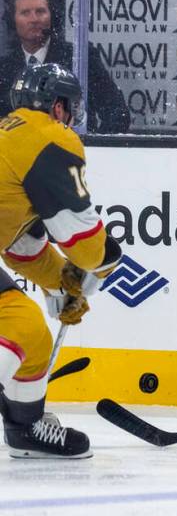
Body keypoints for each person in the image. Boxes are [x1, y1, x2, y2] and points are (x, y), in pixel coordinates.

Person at [0, 63, 123, 458]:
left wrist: (61, 283)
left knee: (32, 333)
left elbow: (18, 244)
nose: (70, 117)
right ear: (56, 107)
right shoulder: (50, 138)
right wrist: (106, 262)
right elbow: (83, 241)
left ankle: (25, 430)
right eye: (69, 107)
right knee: (21, 324)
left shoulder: (11, 137)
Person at [0, 0, 130, 134]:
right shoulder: (4, 69)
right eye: (25, 13)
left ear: (52, 16)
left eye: (40, 11)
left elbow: (117, 113)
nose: (34, 19)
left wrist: (91, 146)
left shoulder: (80, 56)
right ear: (12, 21)